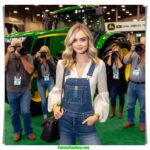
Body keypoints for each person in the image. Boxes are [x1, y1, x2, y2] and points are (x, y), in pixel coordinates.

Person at [48, 23, 109, 145]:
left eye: (82, 39)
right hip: (64, 121)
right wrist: (55, 107)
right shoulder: (62, 64)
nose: (79, 44)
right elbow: (57, 90)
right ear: (70, 43)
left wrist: (96, 116)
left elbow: (103, 94)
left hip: (87, 122)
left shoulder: (99, 64)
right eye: (74, 40)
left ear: (89, 41)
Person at [5, 39, 36, 141]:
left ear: (22, 46)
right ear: (11, 46)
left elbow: (30, 70)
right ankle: (17, 131)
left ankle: (29, 131)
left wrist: (22, 57)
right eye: (15, 45)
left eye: (19, 45)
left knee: (26, 111)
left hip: (25, 89)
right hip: (11, 90)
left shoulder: (28, 56)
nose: (17, 48)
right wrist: (8, 54)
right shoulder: (8, 57)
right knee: (14, 113)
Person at [123, 37, 145, 132]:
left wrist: (142, 55)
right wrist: (131, 51)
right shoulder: (134, 52)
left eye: (144, 44)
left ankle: (143, 123)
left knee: (144, 106)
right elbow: (125, 61)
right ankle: (130, 120)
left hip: (143, 86)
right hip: (131, 84)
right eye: (140, 43)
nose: (141, 46)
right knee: (130, 105)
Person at [34, 46, 56, 125]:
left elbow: (54, 69)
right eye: (42, 52)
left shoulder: (50, 58)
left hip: (50, 81)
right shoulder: (38, 60)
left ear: (48, 52)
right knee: (43, 101)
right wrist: (35, 57)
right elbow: (32, 67)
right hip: (41, 82)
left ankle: (54, 116)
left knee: (52, 98)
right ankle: (45, 117)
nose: (43, 53)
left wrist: (48, 60)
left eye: (45, 52)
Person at [106, 43, 127, 119]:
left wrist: (117, 58)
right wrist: (110, 56)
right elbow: (107, 67)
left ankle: (120, 112)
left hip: (120, 82)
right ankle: (113, 112)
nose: (116, 53)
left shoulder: (123, 59)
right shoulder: (111, 60)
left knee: (121, 98)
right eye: (114, 51)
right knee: (113, 97)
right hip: (113, 82)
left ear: (120, 52)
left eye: (117, 51)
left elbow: (121, 69)